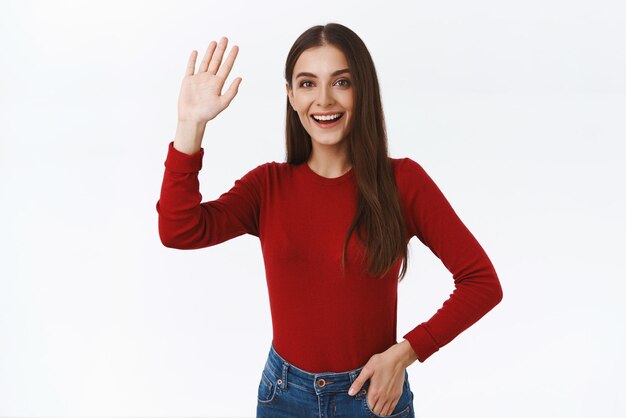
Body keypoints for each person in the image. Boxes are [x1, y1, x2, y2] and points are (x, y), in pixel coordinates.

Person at [156, 23, 503, 418]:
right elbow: (179, 230)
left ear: (363, 90)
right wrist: (190, 125)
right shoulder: (268, 186)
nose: (323, 99)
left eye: (341, 82)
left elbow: (482, 283)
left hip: (374, 397)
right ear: (290, 95)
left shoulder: (403, 182)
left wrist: (405, 353)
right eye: (307, 84)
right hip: (284, 397)